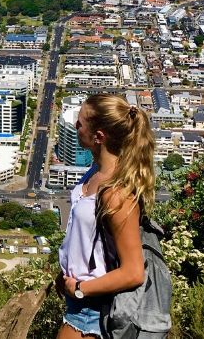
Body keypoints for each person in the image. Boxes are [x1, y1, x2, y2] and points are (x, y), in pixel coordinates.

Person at [56, 94, 156, 339]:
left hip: (93, 311)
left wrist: (81, 288)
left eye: (80, 124)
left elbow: (133, 271)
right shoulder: (95, 173)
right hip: (80, 303)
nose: (76, 127)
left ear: (98, 136)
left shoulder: (116, 194)